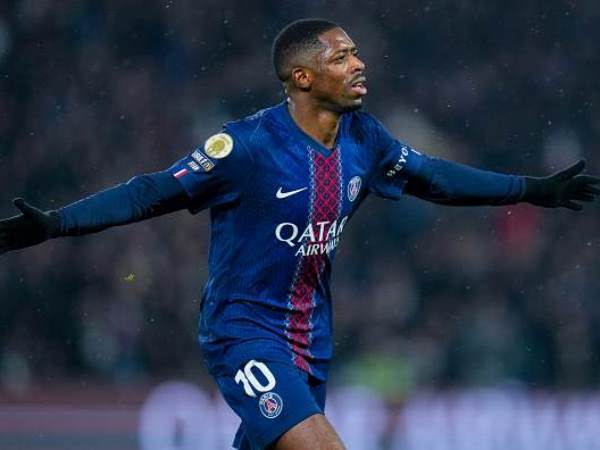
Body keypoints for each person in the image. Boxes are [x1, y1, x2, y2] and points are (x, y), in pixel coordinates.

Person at [1, 18, 599, 450]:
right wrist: (57, 223)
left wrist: (530, 188)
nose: (359, 64)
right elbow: (151, 191)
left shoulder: (365, 139)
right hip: (243, 334)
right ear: (303, 77)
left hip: (311, 341)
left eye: (357, 53)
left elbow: (433, 178)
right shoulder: (245, 147)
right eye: (342, 58)